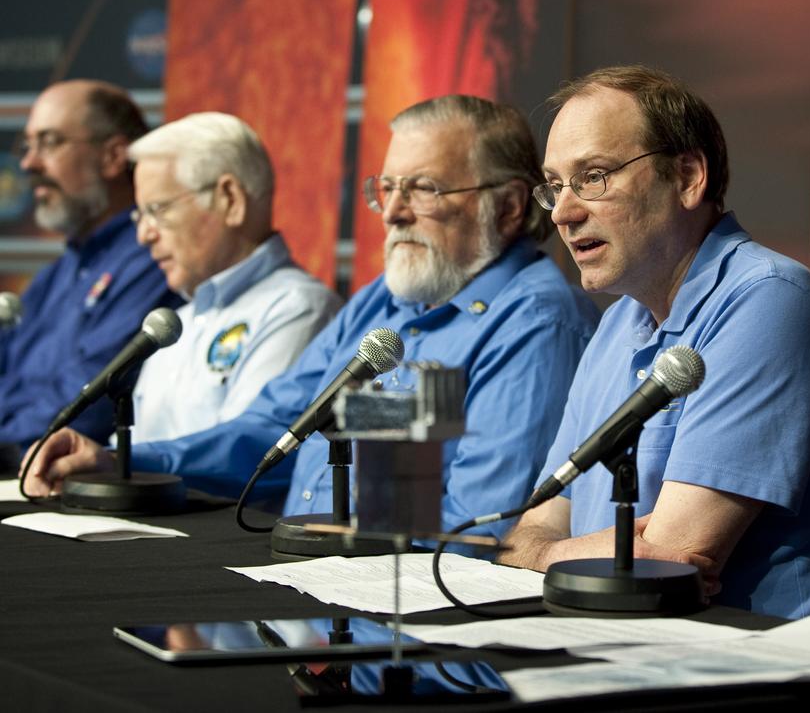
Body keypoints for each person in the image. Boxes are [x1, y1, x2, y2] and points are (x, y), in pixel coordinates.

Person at [22, 95, 600, 537]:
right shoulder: (385, 300)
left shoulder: (533, 322)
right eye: (387, 188)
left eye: (422, 189)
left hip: (398, 620)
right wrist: (118, 460)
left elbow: (478, 529)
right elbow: (276, 427)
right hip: (306, 580)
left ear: (508, 206)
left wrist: (341, 552)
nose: (392, 213)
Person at [500, 65, 810, 630]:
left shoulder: (769, 302)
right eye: (555, 185)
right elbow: (528, 533)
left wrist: (553, 553)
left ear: (687, 177)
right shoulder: (615, 327)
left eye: (594, 177)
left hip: (769, 681)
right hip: (623, 652)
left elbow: (668, 563)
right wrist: (554, 553)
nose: (563, 212)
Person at [34, 112, 341, 455]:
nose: (144, 234)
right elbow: (135, 451)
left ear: (229, 199)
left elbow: (250, 453)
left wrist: (117, 464)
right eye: (140, 215)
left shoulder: (297, 308)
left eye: (158, 209)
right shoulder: (175, 324)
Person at [0, 80, 182, 455]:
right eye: (27, 145)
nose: (28, 163)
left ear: (113, 157)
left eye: (49, 143)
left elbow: (83, 409)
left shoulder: (153, 262)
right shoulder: (57, 273)